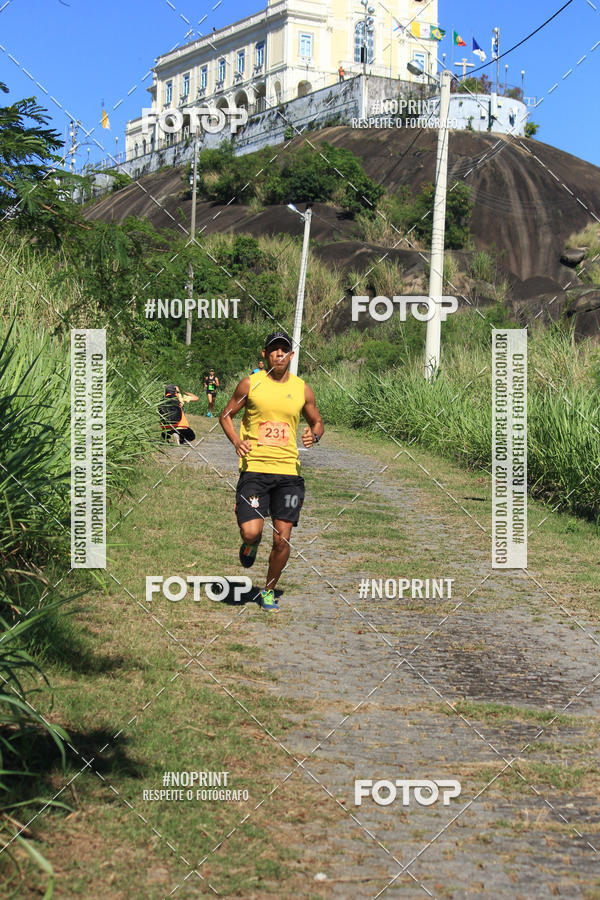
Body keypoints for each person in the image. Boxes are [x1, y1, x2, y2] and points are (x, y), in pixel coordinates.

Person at [219, 332, 324, 612]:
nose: (279, 354)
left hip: (289, 475)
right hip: (255, 470)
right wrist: (237, 441)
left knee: (282, 539)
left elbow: (317, 421)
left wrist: (314, 435)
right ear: (265, 355)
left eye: (284, 350)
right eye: (274, 350)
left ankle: (268, 591)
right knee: (251, 532)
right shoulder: (250, 384)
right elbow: (226, 415)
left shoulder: (302, 389)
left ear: (291, 355)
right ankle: (250, 544)